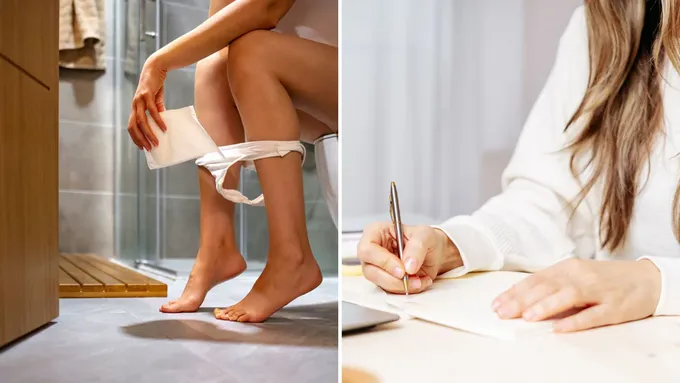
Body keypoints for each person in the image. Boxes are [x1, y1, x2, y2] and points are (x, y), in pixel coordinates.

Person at [357, 1, 680, 333]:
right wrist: (452, 245)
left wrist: (656, 284)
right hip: (618, 344)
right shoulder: (603, 22)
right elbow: (550, 202)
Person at [127, 0, 338, 323]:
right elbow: (220, 31)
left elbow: (266, 7)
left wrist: (158, 63)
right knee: (215, 64)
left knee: (254, 51)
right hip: (323, 91)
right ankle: (217, 247)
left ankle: (291, 257)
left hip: (363, 82)